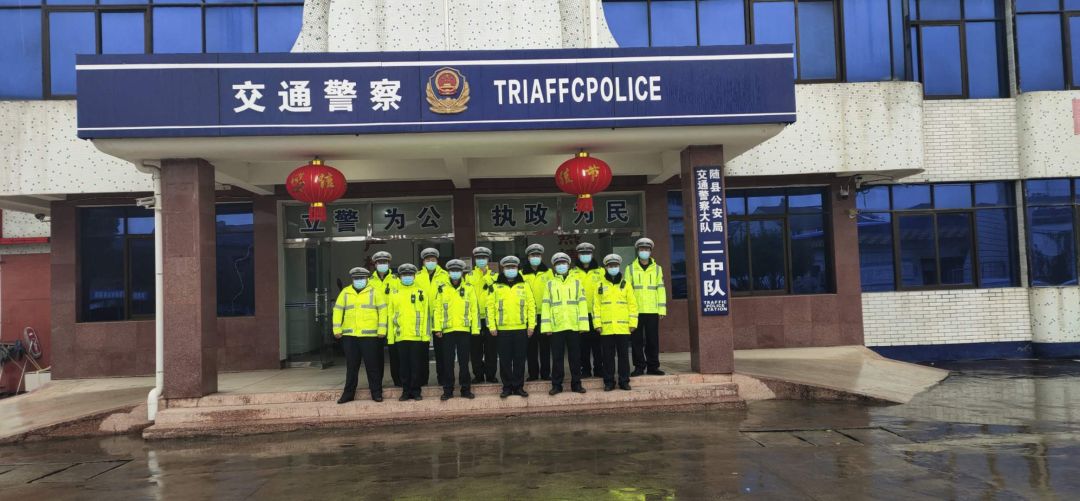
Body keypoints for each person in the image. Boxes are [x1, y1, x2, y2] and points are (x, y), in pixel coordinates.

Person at [332, 267, 387, 403]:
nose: (359, 280)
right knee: (351, 367)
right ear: (352, 279)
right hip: (350, 336)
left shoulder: (375, 292)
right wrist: (336, 329)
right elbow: (338, 310)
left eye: (361, 278)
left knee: (372, 366)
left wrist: (382, 329)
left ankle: (376, 393)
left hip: (370, 336)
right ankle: (348, 394)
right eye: (356, 278)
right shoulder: (345, 292)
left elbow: (383, 311)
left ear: (367, 278)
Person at [541, 252, 589, 395]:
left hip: (574, 326)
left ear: (568, 265)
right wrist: (547, 327)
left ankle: (577, 384)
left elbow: (582, 303)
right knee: (557, 358)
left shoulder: (576, 282)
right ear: (554, 267)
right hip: (556, 326)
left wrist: (583, 325)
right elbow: (546, 306)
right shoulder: (550, 284)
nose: (561, 266)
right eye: (558, 264)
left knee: (575, 357)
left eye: (563, 263)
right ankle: (557, 385)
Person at [488, 256, 535, 399]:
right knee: (505, 361)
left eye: (513, 267)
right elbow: (490, 307)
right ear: (503, 269)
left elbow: (531, 306)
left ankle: (519, 387)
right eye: (508, 267)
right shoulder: (495, 286)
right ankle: (507, 387)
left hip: (521, 329)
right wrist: (491, 326)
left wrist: (531, 325)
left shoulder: (525, 285)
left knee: (520, 360)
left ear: (517, 268)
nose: (510, 270)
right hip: (502, 330)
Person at [433, 259, 479, 400]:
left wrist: (475, 329)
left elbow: (474, 309)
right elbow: (437, 310)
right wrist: (437, 328)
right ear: (448, 272)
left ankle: (465, 390)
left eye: (457, 271)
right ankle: (448, 390)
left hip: (464, 330)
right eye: (452, 271)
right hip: (447, 331)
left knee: (464, 362)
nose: (455, 273)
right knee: (448, 362)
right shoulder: (442, 288)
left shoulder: (469, 288)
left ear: (462, 272)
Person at [387, 263, 431, 401]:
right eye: (404, 275)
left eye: (410, 275)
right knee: (403, 367)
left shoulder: (421, 292)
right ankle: (405, 391)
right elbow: (390, 316)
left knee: (416, 365)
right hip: (400, 336)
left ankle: (416, 391)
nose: (407, 277)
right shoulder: (394, 293)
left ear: (414, 276)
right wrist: (390, 338)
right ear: (400, 277)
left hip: (417, 337)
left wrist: (425, 336)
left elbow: (426, 316)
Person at [595, 254, 638, 391]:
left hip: (622, 327)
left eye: (615, 265)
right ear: (606, 267)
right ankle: (609, 382)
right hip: (606, 328)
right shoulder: (600, 285)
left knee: (623, 356)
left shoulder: (626, 284)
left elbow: (632, 305)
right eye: (610, 265)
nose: (613, 267)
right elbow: (596, 306)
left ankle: (624, 381)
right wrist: (597, 324)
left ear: (619, 266)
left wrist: (633, 323)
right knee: (608, 357)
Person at [625, 237, 667, 376]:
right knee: (636, 341)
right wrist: (628, 310)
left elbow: (660, 289)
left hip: (652, 310)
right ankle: (639, 367)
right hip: (635, 311)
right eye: (642, 249)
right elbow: (626, 291)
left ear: (650, 251)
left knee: (652, 340)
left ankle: (653, 366)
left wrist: (661, 309)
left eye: (647, 249)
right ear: (638, 251)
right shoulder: (630, 268)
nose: (644, 251)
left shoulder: (657, 269)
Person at [416, 247, 450, 386]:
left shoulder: (445, 275)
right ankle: (422, 379)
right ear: (423, 262)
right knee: (421, 350)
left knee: (441, 350)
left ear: (437, 260)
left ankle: (443, 378)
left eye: (433, 259)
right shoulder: (417, 276)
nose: (430, 262)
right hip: (422, 318)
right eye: (427, 259)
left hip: (439, 316)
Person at [570, 242, 604, 378]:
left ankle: (599, 369)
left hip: (597, 314)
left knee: (598, 345)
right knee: (582, 345)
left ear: (592, 254)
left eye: (587, 253)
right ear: (578, 255)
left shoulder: (601, 272)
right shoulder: (572, 273)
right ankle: (585, 370)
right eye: (582, 253)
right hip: (580, 315)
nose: (585, 255)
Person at [521, 243, 553, 381]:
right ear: (528, 257)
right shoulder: (521, 274)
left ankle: (546, 374)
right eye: (533, 255)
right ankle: (533, 374)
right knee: (531, 347)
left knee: (545, 347)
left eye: (537, 255)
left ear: (541, 257)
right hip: (529, 316)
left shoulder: (549, 273)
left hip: (545, 315)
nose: (535, 257)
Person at [466, 247, 499, 384]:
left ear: (488, 260)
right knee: (476, 349)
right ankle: (478, 375)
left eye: (483, 258)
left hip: (490, 318)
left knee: (491, 349)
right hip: (475, 318)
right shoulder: (469, 276)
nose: (481, 260)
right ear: (475, 259)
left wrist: (485, 274)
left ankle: (491, 375)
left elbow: (493, 288)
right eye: (478, 258)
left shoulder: (494, 275)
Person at [369, 250, 401, 387]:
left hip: (393, 322)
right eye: (380, 262)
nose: (382, 264)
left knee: (396, 354)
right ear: (375, 264)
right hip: (376, 323)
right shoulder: (369, 282)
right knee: (376, 355)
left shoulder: (396, 280)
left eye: (385, 262)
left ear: (389, 264)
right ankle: (377, 382)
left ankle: (398, 380)